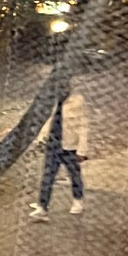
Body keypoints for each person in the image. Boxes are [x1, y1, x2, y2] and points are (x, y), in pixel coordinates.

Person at [29, 88, 89, 219]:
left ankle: (77, 200)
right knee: (47, 176)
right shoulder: (52, 101)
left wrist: (81, 150)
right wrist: (41, 139)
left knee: (74, 174)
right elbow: (47, 121)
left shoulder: (77, 101)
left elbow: (83, 126)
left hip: (69, 146)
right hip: (52, 144)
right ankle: (42, 207)